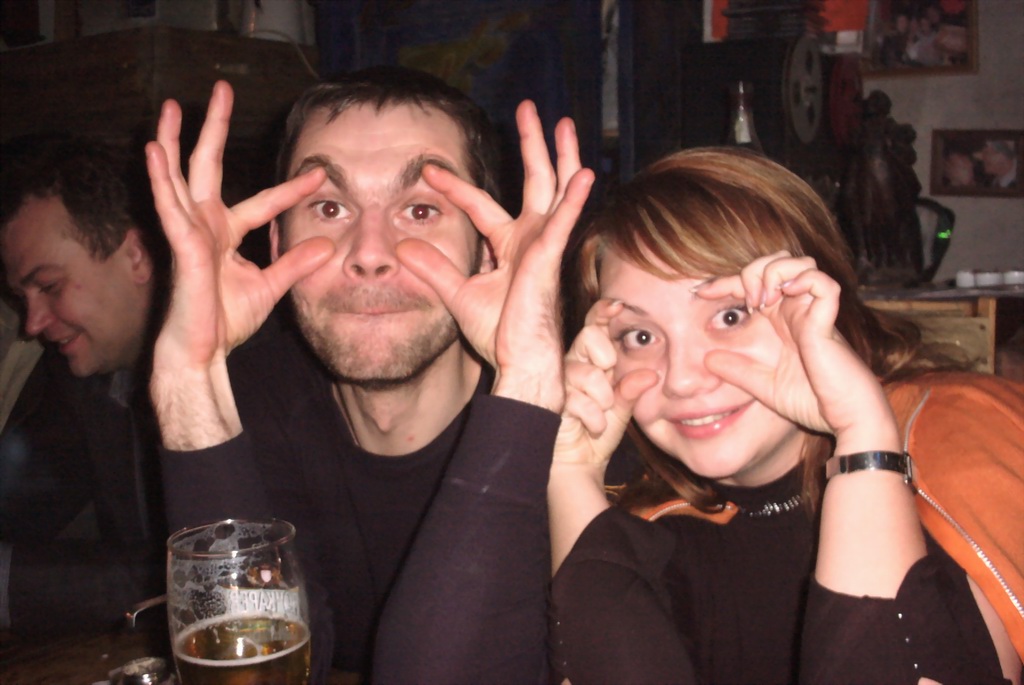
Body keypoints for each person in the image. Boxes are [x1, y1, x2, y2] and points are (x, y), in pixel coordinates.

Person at [144, 66, 623, 682]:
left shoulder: (589, 431)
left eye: (420, 210)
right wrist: (189, 375)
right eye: (329, 207)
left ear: (486, 250)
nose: (369, 252)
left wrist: (528, 383)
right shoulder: (248, 401)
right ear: (276, 242)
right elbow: (262, 663)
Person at [547, 148, 1023, 684]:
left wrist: (863, 435)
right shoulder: (645, 537)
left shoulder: (961, 436)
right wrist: (569, 474)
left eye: (730, 315)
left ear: (818, 304)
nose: (681, 378)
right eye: (640, 336)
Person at [0, 135, 169, 636]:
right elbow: (26, 494)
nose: (32, 323)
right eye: (23, 297)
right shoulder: (89, 382)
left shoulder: (253, 366)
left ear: (136, 255)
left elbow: (192, 578)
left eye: (50, 286)